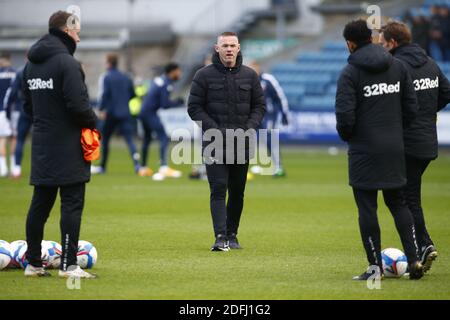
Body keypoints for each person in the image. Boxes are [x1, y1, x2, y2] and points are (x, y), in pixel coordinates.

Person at [335, 19, 423, 280]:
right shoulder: (397, 66)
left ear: (350, 43)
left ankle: (375, 270)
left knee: (367, 208)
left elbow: (345, 117)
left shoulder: (350, 73)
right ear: (372, 38)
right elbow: (411, 108)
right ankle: (415, 260)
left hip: (364, 150)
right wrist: (394, 131)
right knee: (398, 202)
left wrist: (351, 137)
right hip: (395, 147)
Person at [22, 10, 97, 278]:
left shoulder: (30, 64)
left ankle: (33, 264)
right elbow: (78, 105)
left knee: (40, 204)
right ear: (67, 31)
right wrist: (93, 121)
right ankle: (69, 266)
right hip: (68, 144)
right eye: (77, 31)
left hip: (42, 143)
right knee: (71, 203)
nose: (79, 36)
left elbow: (26, 106)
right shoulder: (67, 63)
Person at [380, 21, 450, 273]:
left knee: (405, 199)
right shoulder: (429, 62)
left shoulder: (397, 66)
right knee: (411, 197)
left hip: (406, 142)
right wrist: (427, 112)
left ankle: (423, 247)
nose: (381, 47)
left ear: (393, 42)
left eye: (383, 42)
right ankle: (423, 245)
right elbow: (446, 92)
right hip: (427, 142)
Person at [188, 32, 266, 251]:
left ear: (239, 48)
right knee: (218, 189)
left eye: (233, 45)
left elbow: (259, 107)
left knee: (238, 191)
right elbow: (194, 107)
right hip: (214, 143)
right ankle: (220, 237)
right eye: (225, 46)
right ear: (217, 48)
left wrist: (249, 128)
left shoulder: (250, 76)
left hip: (242, 142)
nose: (229, 49)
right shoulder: (203, 76)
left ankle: (233, 235)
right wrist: (214, 130)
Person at [92, 53, 140, 174]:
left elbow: (104, 95)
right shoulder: (126, 77)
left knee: (106, 140)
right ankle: (137, 165)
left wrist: (100, 109)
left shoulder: (107, 77)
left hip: (111, 113)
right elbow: (133, 94)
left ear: (108, 63)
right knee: (129, 140)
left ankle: (103, 167)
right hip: (125, 113)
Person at [138, 62, 184, 179]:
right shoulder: (167, 83)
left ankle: (143, 167)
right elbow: (164, 104)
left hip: (143, 111)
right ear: (172, 71)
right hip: (150, 113)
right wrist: (177, 103)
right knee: (163, 137)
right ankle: (163, 167)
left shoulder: (159, 80)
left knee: (147, 139)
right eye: (178, 71)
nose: (180, 74)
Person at [250, 61, 289, 177]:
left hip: (269, 116)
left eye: (253, 67)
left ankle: (278, 167)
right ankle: (239, 169)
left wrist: (284, 114)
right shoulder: (246, 80)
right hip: (253, 116)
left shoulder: (268, 79)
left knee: (270, 140)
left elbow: (280, 96)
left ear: (258, 67)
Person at [4, 65, 33, 178]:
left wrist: (8, 113)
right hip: (40, 111)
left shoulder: (21, 71)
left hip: (24, 110)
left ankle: (16, 169)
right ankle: (46, 169)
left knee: (20, 139)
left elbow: (12, 92)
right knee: (44, 141)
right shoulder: (47, 69)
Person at [0, 52, 16, 177]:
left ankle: (4, 168)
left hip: (2, 110)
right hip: (14, 110)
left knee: (2, 139)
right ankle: (14, 167)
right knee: (14, 138)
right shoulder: (15, 73)